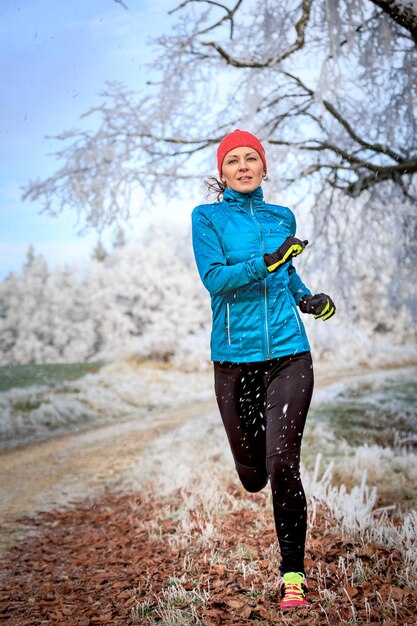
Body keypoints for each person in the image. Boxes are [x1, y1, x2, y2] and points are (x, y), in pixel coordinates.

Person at [191, 129, 335, 610]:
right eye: (234, 161)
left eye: (252, 158)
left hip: (290, 354)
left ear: (264, 167)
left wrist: (306, 298)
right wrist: (267, 262)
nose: (244, 166)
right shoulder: (206, 218)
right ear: (222, 172)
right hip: (235, 359)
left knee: (282, 463)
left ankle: (292, 573)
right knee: (254, 473)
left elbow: (287, 272)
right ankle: (252, 471)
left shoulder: (281, 217)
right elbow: (216, 280)